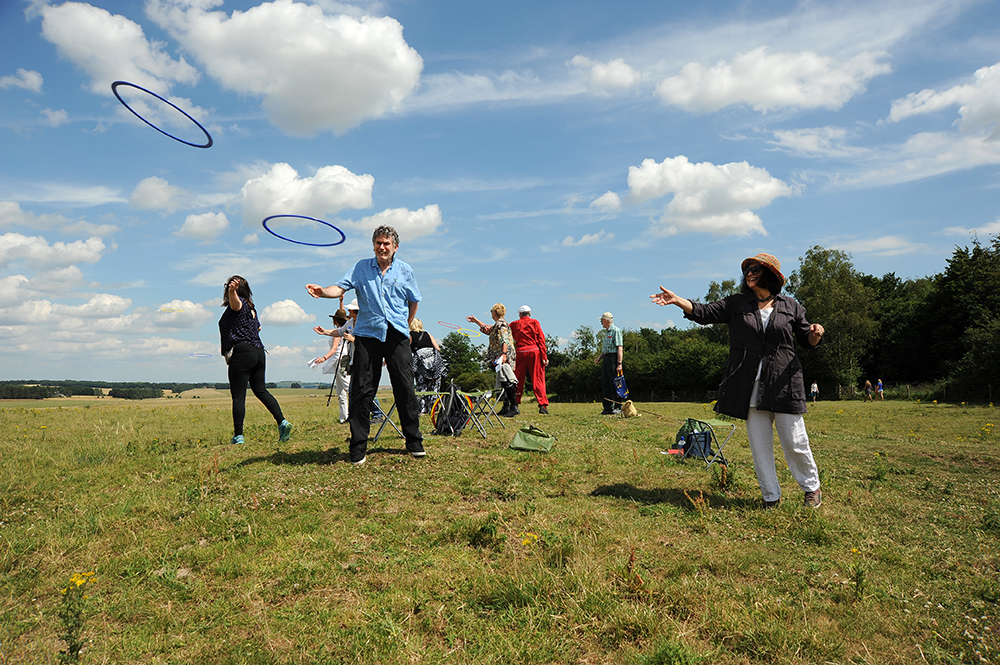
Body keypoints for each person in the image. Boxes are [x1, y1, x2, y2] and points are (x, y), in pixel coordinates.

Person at [650, 252, 825, 508]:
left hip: (785, 384)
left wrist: (816, 333)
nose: (749, 273)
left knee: (795, 442)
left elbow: (807, 340)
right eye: (747, 270)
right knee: (760, 447)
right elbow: (704, 312)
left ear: (771, 275)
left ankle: (811, 488)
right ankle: (770, 497)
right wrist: (678, 301)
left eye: (755, 269)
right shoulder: (737, 304)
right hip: (750, 386)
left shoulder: (791, 306)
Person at [306, 225, 424, 466]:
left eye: (387, 244)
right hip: (368, 336)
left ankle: (414, 441)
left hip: (397, 335)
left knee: (404, 387)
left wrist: (404, 325)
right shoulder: (361, 268)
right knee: (361, 390)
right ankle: (358, 446)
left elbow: (413, 302)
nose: (382, 247)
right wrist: (322, 291)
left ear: (395, 247)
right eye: (378, 243)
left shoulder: (405, 270)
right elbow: (339, 287)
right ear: (373, 246)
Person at [218, 275, 292, 445]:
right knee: (260, 390)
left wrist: (232, 291)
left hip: (242, 353)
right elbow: (257, 328)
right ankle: (282, 422)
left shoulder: (239, 305)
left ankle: (238, 436)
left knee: (238, 395)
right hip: (258, 352)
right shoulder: (252, 309)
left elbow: (236, 304)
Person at [312, 300, 359, 424]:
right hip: (349, 359)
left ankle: (372, 412)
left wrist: (324, 358)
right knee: (342, 391)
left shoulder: (362, 323)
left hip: (346, 360)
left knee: (350, 388)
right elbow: (339, 332)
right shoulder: (350, 323)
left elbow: (334, 348)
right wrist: (324, 332)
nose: (349, 311)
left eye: (351, 309)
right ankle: (345, 417)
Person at [467, 303, 518, 417]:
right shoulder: (499, 324)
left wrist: (503, 354)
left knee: (507, 379)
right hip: (500, 355)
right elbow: (487, 329)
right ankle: (506, 406)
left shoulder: (501, 325)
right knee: (502, 379)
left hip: (503, 355)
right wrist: (476, 321)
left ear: (494, 313)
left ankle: (514, 407)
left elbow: (504, 340)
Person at [509, 305, 550, 415]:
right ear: (530, 313)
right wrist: (544, 357)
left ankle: (515, 403)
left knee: (517, 379)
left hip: (520, 352)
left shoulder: (514, 324)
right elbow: (541, 340)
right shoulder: (535, 322)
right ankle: (542, 405)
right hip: (534, 351)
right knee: (538, 379)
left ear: (520, 314)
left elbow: (504, 331)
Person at [409, 318, 447, 414]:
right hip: (435, 363)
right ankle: (434, 409)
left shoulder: (410, 335)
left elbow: (407, 349)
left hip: (420, 363)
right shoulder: (427, 334)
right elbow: (437, 348)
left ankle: (422, 409)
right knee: (435, 387)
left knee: (422, 387)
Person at [594, 312, 624, 415]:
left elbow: (619, 348)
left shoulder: (616, 331)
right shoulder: (607, 333)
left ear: (606, 320)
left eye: (601, 320)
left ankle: (618, 406)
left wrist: (619, 364)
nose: (601, 322)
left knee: (614, 383)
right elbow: (606, 349)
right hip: (606, 358)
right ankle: (607, 407)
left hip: (613, 358)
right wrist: (599, 357)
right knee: (605, 383)